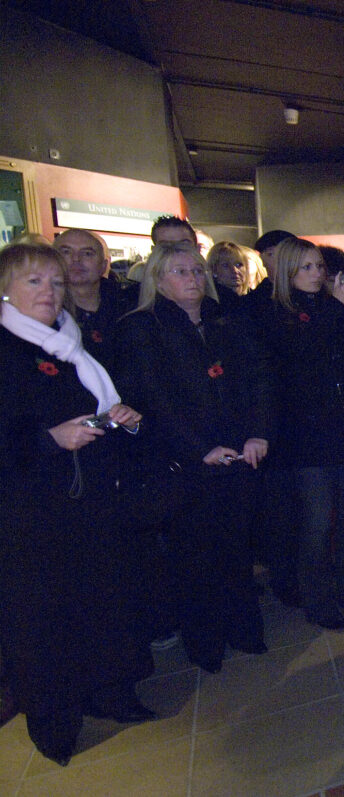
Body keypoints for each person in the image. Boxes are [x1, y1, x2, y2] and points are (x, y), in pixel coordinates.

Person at [0, 242, 154, 766]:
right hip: (30, 518)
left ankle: (111, 693)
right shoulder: (8, 347)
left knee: (105, 604)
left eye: (55, 283)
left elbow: (93, 411)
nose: (49, 292)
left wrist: (120, 421)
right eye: (34, 282)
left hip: (91, 504)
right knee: (44, 624)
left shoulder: (70, 344)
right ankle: (54, 722)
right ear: (6, 289)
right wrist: (49, 439)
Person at [114, 242, 273, 673]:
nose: (193, 279)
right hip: (185, 462)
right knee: (196, 557)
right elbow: (153, 399)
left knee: (237, 548)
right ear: (158, 281)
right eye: (181, 272)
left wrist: (258, 433)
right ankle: (206, 644)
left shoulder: (226, 321)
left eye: (197, 271)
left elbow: (257, 380)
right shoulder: (142, 328)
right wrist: (198, 448)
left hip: (238, 455)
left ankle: (244, 629)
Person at [263, 238, 344, 630]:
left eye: (319, 266)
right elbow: (304, 358)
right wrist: (338, 307)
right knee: (316, 523)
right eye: (306, 268)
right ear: (287, 272)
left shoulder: (333, 305)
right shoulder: (276, 312)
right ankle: (318, 600)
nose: (316, 274)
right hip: (308, 436)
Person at [53, 227, 137, 368]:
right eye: (66, 252)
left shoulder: (131, 306)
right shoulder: (44, 313)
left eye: (87, 253)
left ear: (104, 266)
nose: (76, 259)